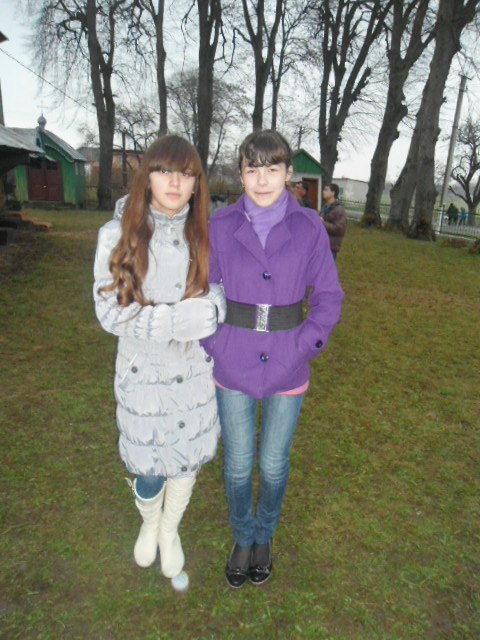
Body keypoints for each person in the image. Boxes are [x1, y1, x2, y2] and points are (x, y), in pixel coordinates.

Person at [202, 130, 344, 589]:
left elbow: (328, 297)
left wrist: (304, 345)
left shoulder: (310, 228)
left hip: (288, 362)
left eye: (272, 168)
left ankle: (264, 535)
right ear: (240, 174)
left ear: (288, 173)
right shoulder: (220, 225)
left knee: (274, 464)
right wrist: (214, 343)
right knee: (238, 464)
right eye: (252, 169)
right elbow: (202, 290)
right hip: (233, 362)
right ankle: (243, 536)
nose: (262, 179)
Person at [93, 135, 225, 592]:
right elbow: (109, 311)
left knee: (186, 462)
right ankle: (149, 523)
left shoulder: (205, 234)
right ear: (146, 176)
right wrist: (170, 321)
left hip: (192, 376)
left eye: (186, 174)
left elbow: (222, 289)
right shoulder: (117, 235)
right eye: (165, 171)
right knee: (148, 466)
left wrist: (214, 309)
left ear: (196, 184)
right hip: (143, 378)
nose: (175, 183)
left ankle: (170, 531)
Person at [321, 183, 347, 261]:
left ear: (333, 193)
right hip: (321, 245)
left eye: (326, 190)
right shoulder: (325, 207)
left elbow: (340, 229)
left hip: (330, 248)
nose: (323, 191)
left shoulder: (339, 210)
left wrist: (322, 223)